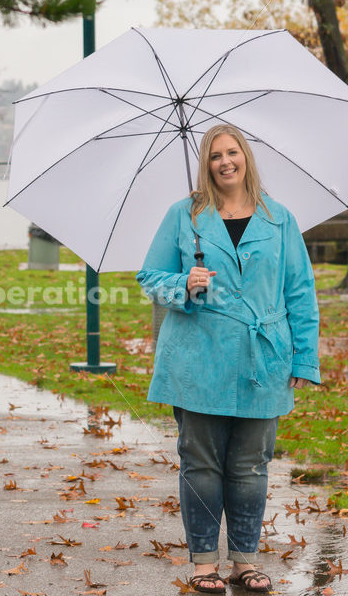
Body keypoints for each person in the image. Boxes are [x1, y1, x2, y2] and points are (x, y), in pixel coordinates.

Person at [136, 124, 320, 593]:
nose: (225, 162)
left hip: (264, 361)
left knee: (250, 465)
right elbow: (149, 275)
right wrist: (183, 284)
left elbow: (300, 292)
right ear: (206, 162)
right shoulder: (185, 215)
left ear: (246, 158)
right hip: (197, 361)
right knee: (200, 463)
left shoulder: (280, 219)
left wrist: (304, 360)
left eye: (232, 152)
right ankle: (203, 562)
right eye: (215, 155)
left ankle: (244, 559)